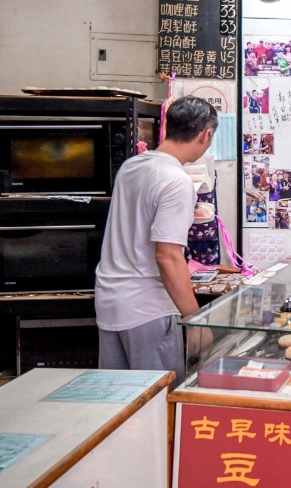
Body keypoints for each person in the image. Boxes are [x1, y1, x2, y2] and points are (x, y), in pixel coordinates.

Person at [94, 96, 218, 387]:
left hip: (110, 302)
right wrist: (195, 319)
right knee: (157, 404)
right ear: (205, 134)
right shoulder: (176, 180)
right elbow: (168, 256)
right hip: (148, 310)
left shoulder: (131, 167)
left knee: (118, 403)